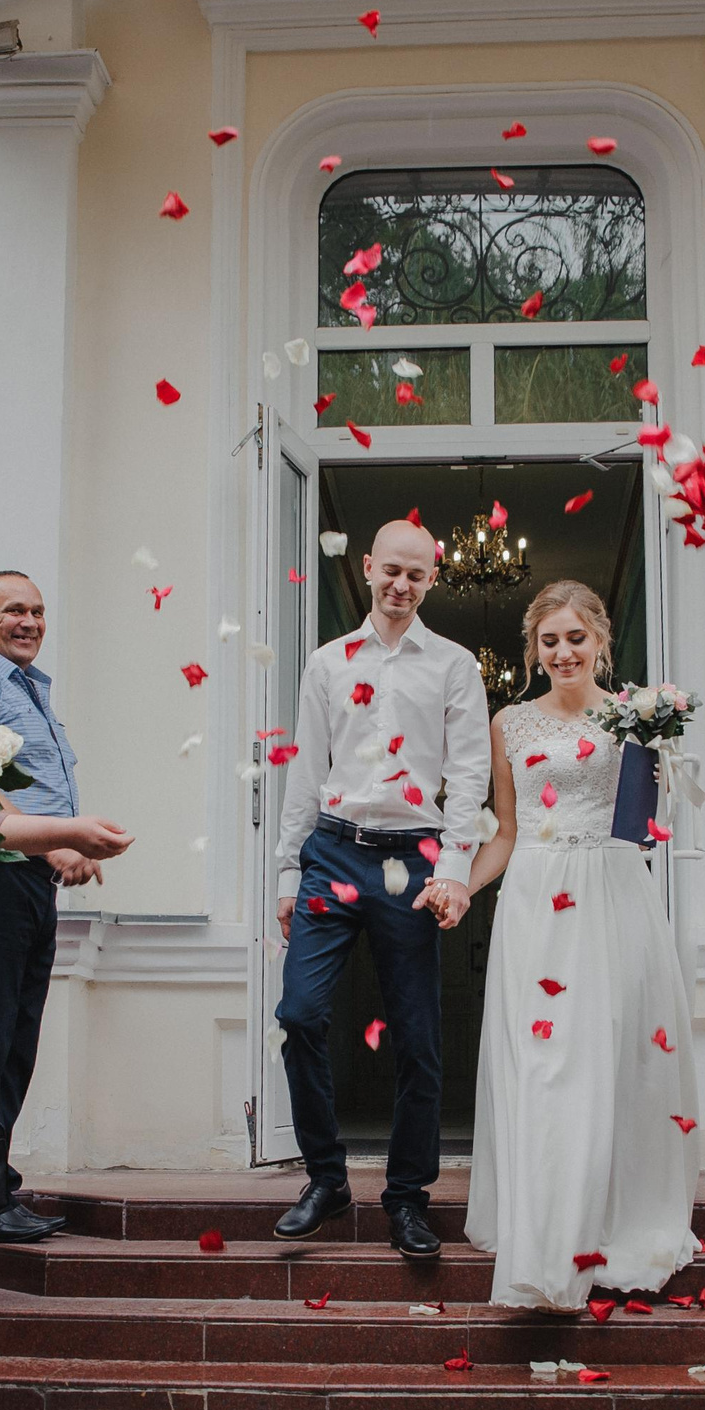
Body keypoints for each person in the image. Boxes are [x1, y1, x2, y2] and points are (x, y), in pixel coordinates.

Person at [460, 581, 699, 1309]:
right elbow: (505, 830)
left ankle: (599, 1223)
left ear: (601, 641)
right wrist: (459, 891)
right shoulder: (509, 723)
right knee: (541, 1067)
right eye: (549, 641)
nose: (563, 652)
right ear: (533, 650)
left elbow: (647, 821)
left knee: (604, 1059)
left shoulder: (638, 717)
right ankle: (542, 1238)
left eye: (575, 638)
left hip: (612, 893)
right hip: (536, 899)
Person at [272, 521, 491, 1259]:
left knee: (419, 1042)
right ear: (368, 568)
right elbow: (305, 772)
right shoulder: (328, 663)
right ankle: (326, 1180)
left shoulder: (456, 665)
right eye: (390, 571)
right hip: (333, 850)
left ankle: (406, 1199)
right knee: (299, 1012)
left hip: (416, 860)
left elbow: (469, 778)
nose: (401, 586)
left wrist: (455, 870)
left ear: (432, 580)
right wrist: (285, 868)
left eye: (416, 576)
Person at [0, 572, 134, 1245]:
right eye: (15, 610)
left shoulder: (28, 689)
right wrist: (54, 846)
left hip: (30, 879)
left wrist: (67, 844)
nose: (31, 621)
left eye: (39, 611)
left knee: (16, 1036)